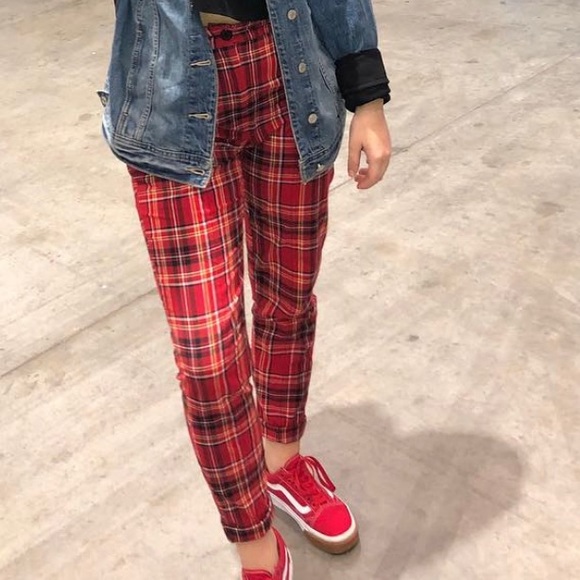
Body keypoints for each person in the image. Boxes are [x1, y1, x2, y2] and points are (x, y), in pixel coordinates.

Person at [100, 1, 391, 578]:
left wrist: (367, 95)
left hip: (291, 76)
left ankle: (282, 461)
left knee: (289, 298)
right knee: (207, 356)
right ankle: (256, 543)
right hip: (169, 93)